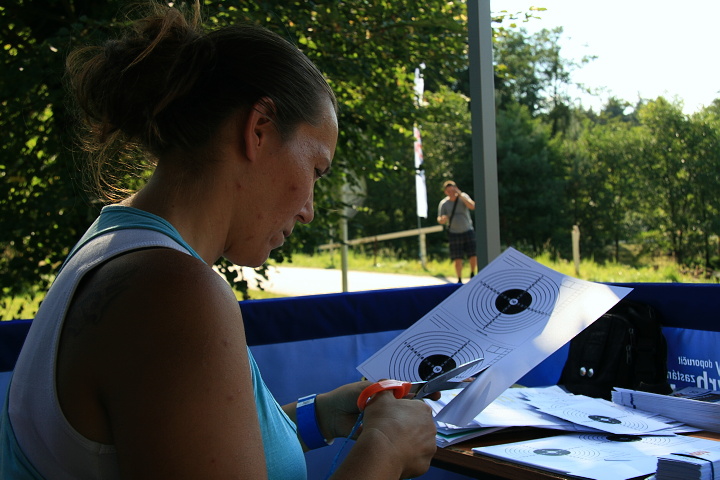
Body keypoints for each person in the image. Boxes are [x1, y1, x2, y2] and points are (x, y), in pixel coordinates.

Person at [0, 2, 437, 479]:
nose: (309, 209)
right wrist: (385, 449)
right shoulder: (171, 294)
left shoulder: (118, 248)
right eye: (315, 169)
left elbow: (195, 447)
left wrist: (320, 416)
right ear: (259, 129)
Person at [437, 180, 477, 284]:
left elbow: (472, 206)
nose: (451, 193)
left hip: (467, 230)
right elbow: (439, 219)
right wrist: (443, 219)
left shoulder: (463, 197)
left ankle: (473, 273)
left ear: (456, 189)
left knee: (473, 254)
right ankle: (459, 279)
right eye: (448, 191)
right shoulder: (444, 203)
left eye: (452, 190)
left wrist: (460, 195)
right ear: (445, 192)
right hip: (454, 233)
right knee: (457, 258)